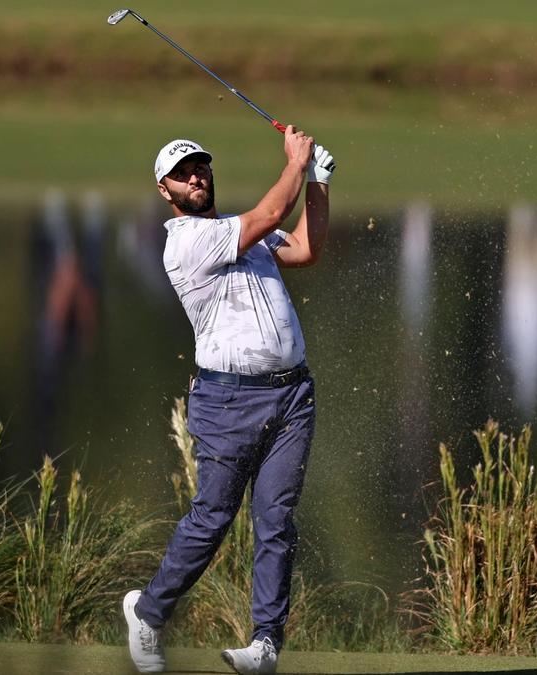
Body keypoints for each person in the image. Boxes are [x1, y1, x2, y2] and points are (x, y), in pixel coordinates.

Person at [122, 126, 334, 674]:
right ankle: (147, 615)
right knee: (213, 516)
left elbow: (307, 248)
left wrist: (319, 182)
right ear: (165, 191)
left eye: (201, 167)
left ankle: (265, 644)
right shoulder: (187, 241)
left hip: (292, 398)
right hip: (227, 402)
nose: (196, 176)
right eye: (183, 173)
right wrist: (296, 162)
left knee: (277, 519)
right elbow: (268, 216)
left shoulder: (238, 231)